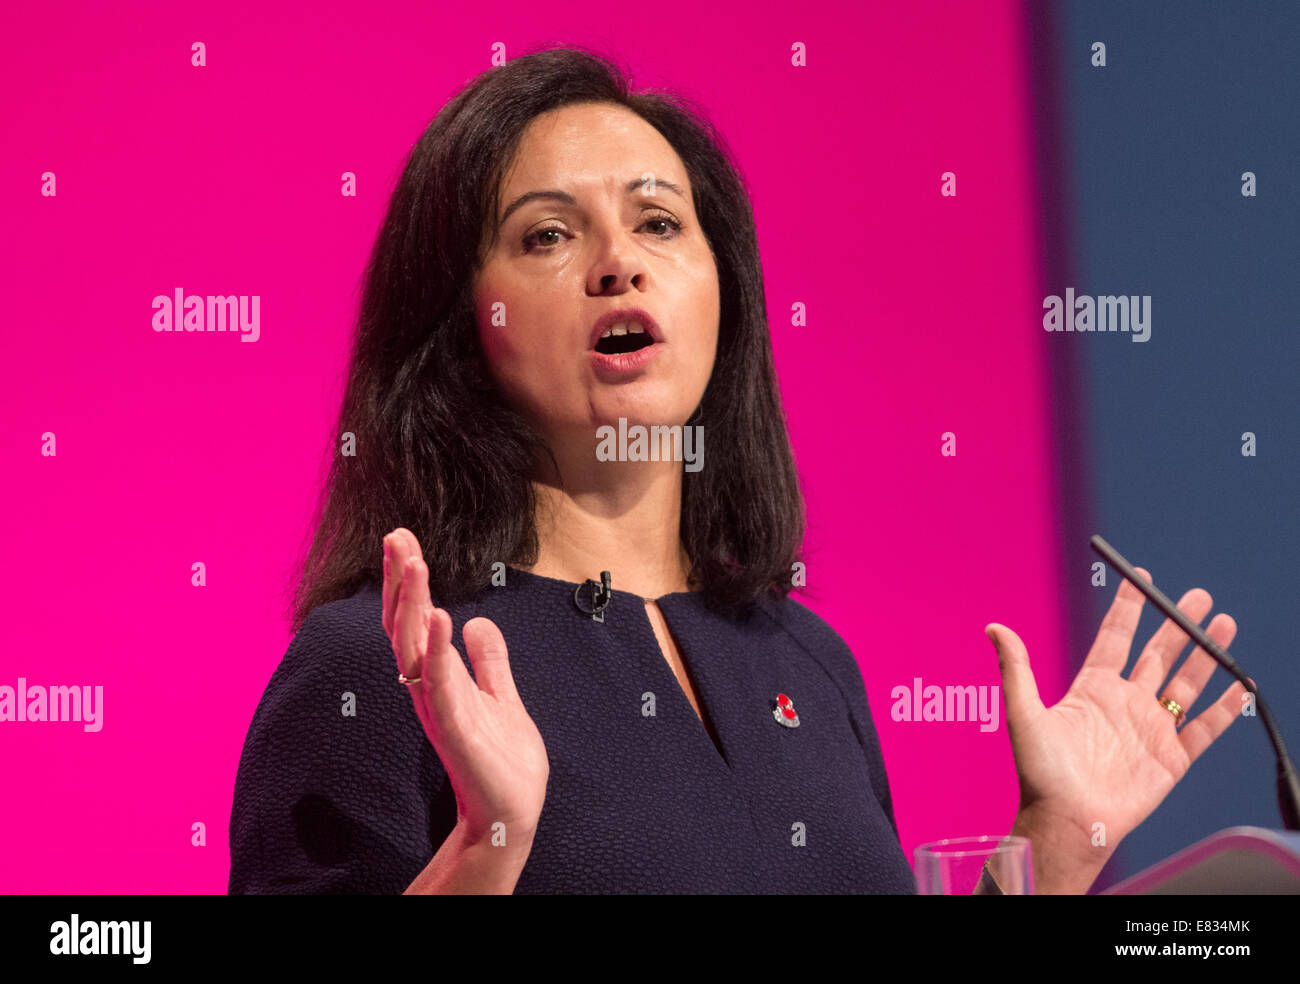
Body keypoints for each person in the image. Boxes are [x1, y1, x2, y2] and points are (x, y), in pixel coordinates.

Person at [227, 45, 1248, 894]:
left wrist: (1055, 843)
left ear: (726, 295)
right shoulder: (382, 665)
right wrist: (484, 847)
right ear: (459, 327)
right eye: (546, 234)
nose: (618, 263)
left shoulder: (805, 660)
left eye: (659, 223)